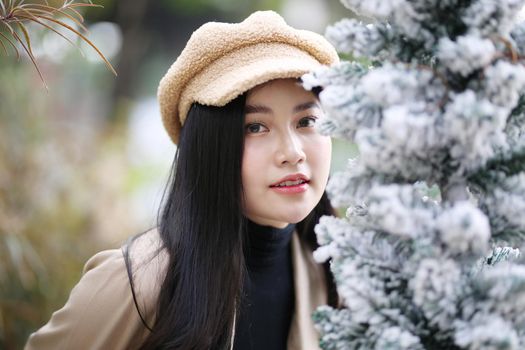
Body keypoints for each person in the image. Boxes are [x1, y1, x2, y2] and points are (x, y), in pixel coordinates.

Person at [25, 10, 340, 350]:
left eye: (307, 121)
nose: (292, 152)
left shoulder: (336, 274)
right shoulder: (136, 284)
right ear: (208, 146)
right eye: (255, 127)